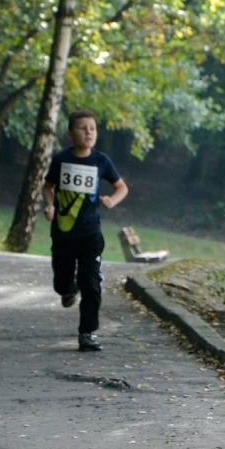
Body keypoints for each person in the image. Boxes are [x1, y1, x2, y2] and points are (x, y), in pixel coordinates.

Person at [42, 109, 128, 352]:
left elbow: (121, 187)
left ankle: (87, 333)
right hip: (63, 232)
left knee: (91, 282)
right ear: (70, 134)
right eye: (83, 128)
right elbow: (47, 187)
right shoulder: (61, 159)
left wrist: (112, 200)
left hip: (91, 232)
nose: (89, 132)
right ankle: (68, 290)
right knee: (61, 282)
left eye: (92, 128)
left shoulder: (101, 160)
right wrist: (50, 206)